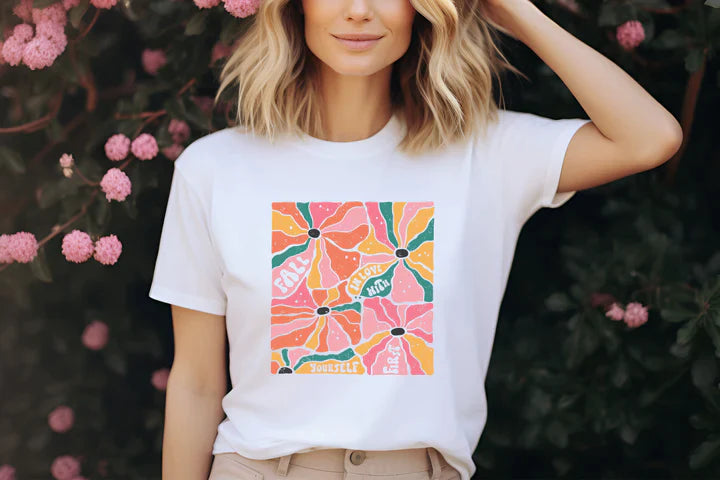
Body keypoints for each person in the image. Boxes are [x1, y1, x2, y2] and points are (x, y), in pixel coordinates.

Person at [148, 0, 682, 479]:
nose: (358, 11)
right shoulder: (215, 169)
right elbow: (195, 381)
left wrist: (515, 9)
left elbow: (650, 138)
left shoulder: (486, 154)